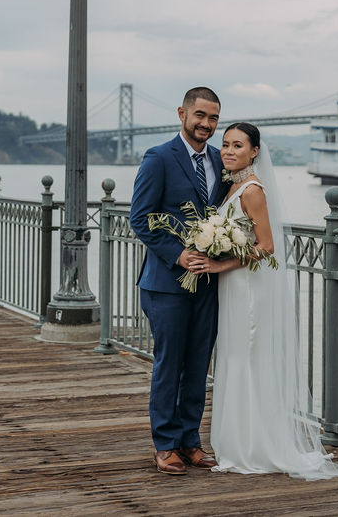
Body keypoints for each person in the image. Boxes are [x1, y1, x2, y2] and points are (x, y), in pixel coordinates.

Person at [189, 122, 338, 481]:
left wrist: (217, 263)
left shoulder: (252, 190)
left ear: (254, 151)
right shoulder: (234, 186)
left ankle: (254, 446)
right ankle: (236, 442)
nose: (228, 151)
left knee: (247, 357)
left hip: (246, 287)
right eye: (225, 144)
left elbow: (267, 246)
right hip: (232, 285)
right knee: (235, 357)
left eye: (237, 145)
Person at [129, 87, 225, 476]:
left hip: (207, 283)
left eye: (214, 118)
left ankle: (190, 441)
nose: (206, 124)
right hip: (166, 283)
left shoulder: (222, 160)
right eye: (200, 115)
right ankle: (165, 444)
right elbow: (140, 217)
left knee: (199, 363)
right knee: (170, 364)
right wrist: (177, 254)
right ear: (182, 113)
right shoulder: (158, 158)